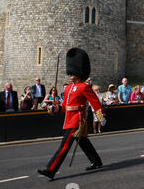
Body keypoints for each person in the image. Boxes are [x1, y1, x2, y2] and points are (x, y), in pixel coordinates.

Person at [37, 48, 106, 180]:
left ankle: (51, 169)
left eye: (72, 73)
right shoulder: (68, 87)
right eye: (69, 73)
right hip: (68, 119)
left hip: (77, 120)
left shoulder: (84, 87)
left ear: (78, 72)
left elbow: (95, 102)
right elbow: (64, 106)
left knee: (64, 145)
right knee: (83, 142)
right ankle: (96, 161)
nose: (70, 75)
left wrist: (101, 116)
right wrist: (54, 108)